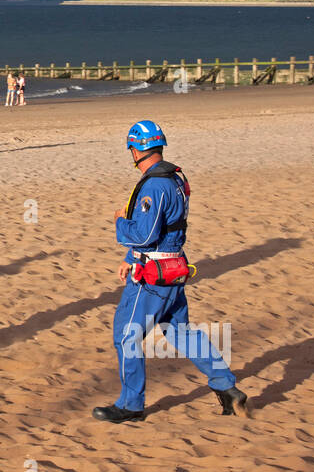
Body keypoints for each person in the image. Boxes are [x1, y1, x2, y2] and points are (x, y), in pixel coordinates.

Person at [92, 120, 247, 423]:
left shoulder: (154, 185)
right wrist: (130, 257)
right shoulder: (176, 176)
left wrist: (120, 221)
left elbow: (144, 235)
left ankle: (131, 405)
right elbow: (166, 229)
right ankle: (227, 387)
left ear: (135, 150)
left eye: (132, 149)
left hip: (153, 277)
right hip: (174, 267)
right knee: (181, 332)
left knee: (126, 336)